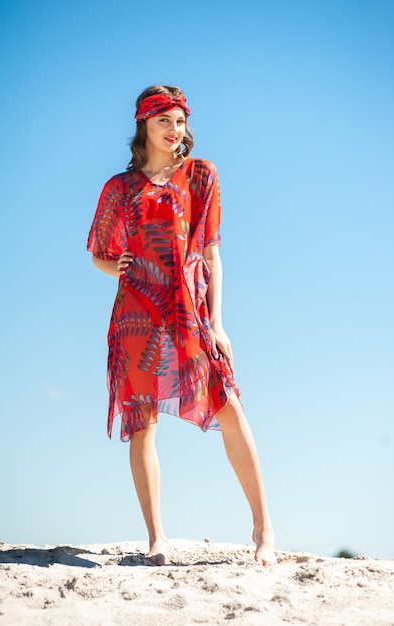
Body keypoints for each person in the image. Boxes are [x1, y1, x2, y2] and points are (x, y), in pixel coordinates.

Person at [87, 85, 276, 566]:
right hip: (136, 315)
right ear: (143, 127)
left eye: (180, 121)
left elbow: (211, 249)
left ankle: (263, 531)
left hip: (190, 310)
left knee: (229, 407)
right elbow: (100, 255)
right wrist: (120, 266)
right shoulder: (119, 188)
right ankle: (156, 537)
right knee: (143, 423)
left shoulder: (201, 175)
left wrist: (218, 323)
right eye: (164, 122)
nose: (176, 131)